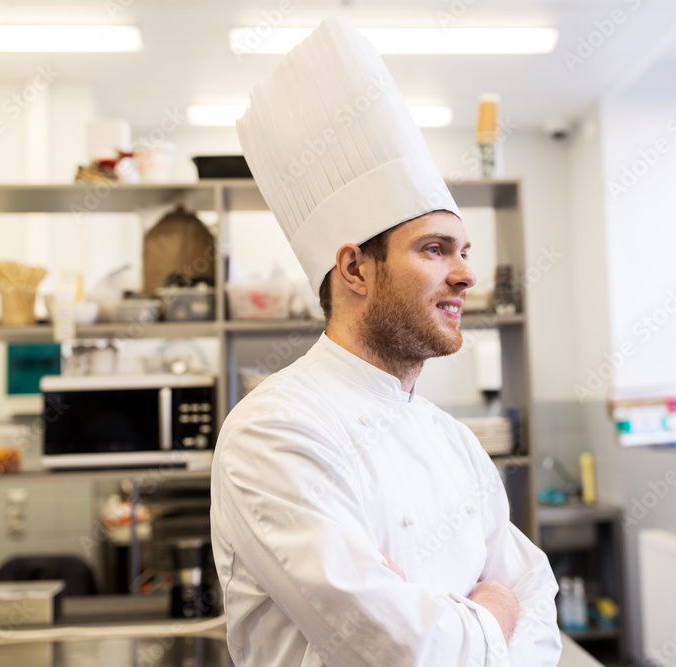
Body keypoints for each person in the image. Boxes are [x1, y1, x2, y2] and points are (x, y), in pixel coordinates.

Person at [210, 16, 562, 667]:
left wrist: (485, 625)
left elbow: (539, 597)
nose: (465, 274)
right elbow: (410, 653)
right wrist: (497, 610)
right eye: (435, 249)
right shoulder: (274, 430)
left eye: (464, 251)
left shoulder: (452, 439)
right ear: (353, 269)